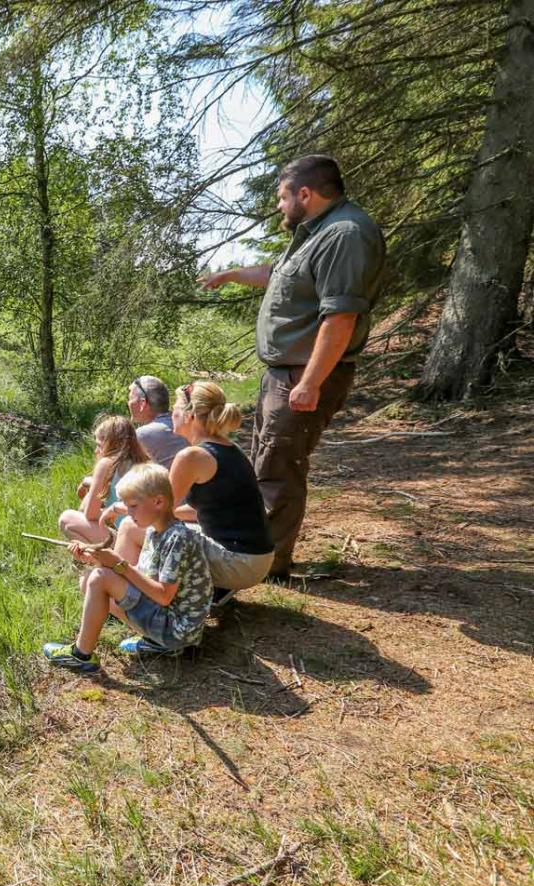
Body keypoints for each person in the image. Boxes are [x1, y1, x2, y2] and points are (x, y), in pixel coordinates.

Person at [200, 155, 385, 579]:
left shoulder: (346, 234)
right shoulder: (315, 233)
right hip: (284, 374)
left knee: (279, 468)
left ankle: (269, 565)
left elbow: (340, 317)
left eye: (283, 198)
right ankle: (257, 551)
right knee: (264, 460)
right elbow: (278, 273)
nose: (280, 207)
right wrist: (229, 275)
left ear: (306, 194)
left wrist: (312, 382)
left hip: (303, 374)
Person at [43, 463, 214, 672]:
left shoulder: (177, 539)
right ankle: (157, 643)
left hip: (178, 632)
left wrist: (118, 565)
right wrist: (95, 558)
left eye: (133, 506)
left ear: (158, 501)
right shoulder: (156, 530)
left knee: (99, 579)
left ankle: (81, 655)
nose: (128, 512)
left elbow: (163, 596)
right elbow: (142, 575)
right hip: (174, 623)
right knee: (94, 576)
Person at [168, 381, 275, 602]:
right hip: (257, 559)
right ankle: (207, 588)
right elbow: (209, 511)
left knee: (134, 529)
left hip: (239, 563)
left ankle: (136, 600)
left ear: (190, 415)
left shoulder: (191, 457)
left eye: (176, 405)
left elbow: (158, 512)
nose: (172, 412)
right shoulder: (228, 447)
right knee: (167, 527)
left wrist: (122, 508)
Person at [59, 415, 149, 548]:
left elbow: (89, 514)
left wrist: (90, 483)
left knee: (67, 519)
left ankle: (97, 561)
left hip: (133, 538)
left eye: (99, 446)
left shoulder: (106, 464)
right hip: (149, 536)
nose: (96, 451)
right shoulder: (144, 461)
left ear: (112, 444)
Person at [128, 375, 188, 469]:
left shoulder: (142, 435)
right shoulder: (184, 426)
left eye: (130, 398)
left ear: (142, 403)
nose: (129, 403)